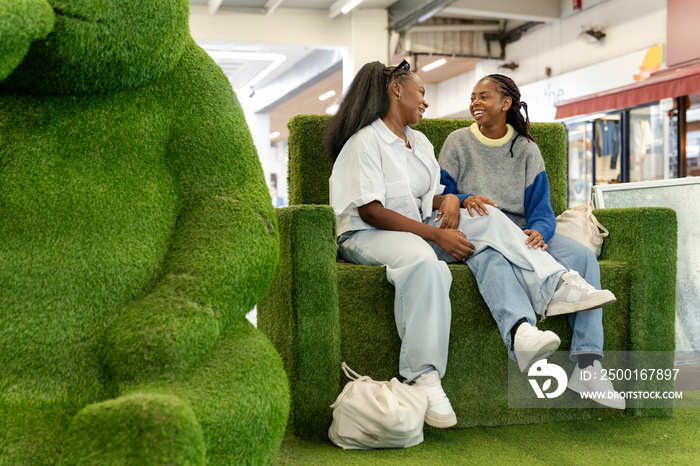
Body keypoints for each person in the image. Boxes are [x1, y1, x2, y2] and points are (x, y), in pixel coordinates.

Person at [326, 61, 619, 429]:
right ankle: (425, 376)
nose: (426, 103)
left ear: (507, 103)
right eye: (422, 92)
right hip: (370, 232)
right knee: (431, 261)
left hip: (421, 226)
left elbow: (431, 195)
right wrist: (438, 225)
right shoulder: (366, 142)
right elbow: (371, 211)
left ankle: (558, 330)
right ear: (396, 90)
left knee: (487, 216)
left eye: (484, 95)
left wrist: (451, 200)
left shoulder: (419, 142)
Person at [438, 73, 624, 409]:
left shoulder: (526, 148)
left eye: (483, 97)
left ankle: (588, 365)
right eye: (472, 97)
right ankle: (539, 311)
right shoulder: (457, 142)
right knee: (492, 258)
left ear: (506, 103)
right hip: (478, 232)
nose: (475, 104)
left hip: (522, 233)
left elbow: (541, 208)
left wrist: (541, 231)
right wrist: (464, 197)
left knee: (583, 257)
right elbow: (439, 194)